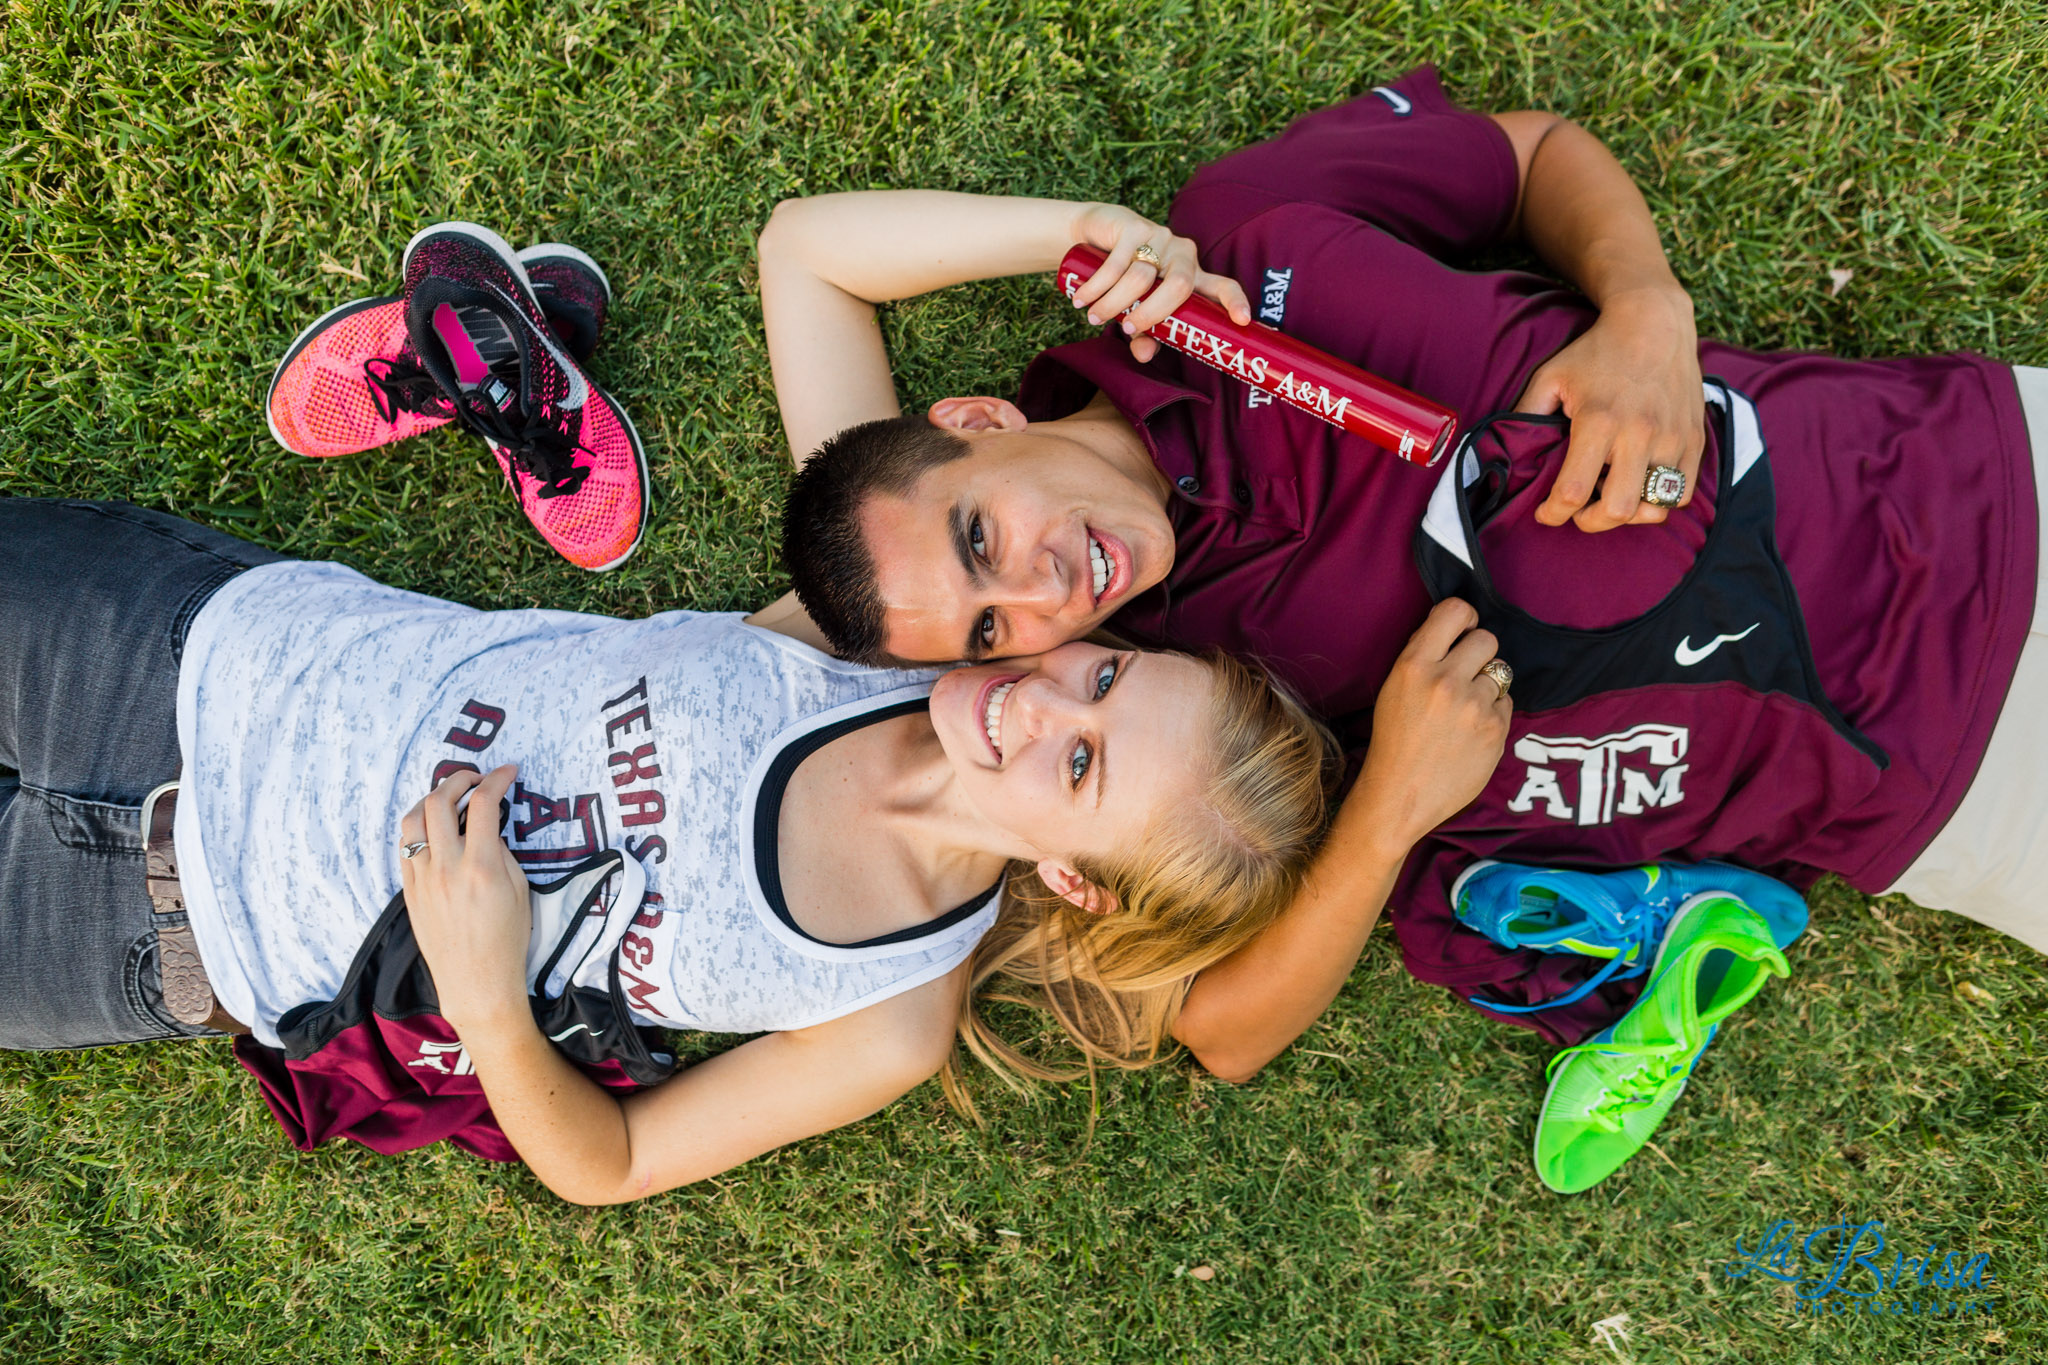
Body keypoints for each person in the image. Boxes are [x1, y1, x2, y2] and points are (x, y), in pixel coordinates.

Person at [760, 65, 2043, 1071]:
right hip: (1952, 786)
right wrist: (1387, 808)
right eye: (990, 633)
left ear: (979, 424)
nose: (1042, 597)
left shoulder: (1238, 236)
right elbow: (1222, 1029)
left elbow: (804, 250)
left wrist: (1644, 311)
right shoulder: (1179, 696)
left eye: (980, 537)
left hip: (1969, 472)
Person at [0, 496, 1339, 1204]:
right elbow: (809, 256)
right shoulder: (891, 637)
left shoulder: (888, 1011)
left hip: (156, 941)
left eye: (1083, 766)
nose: (1040, 703)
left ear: (1076, 881)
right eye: (1106, 678)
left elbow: (613, 1165)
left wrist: (484, 991)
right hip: (175, 652)